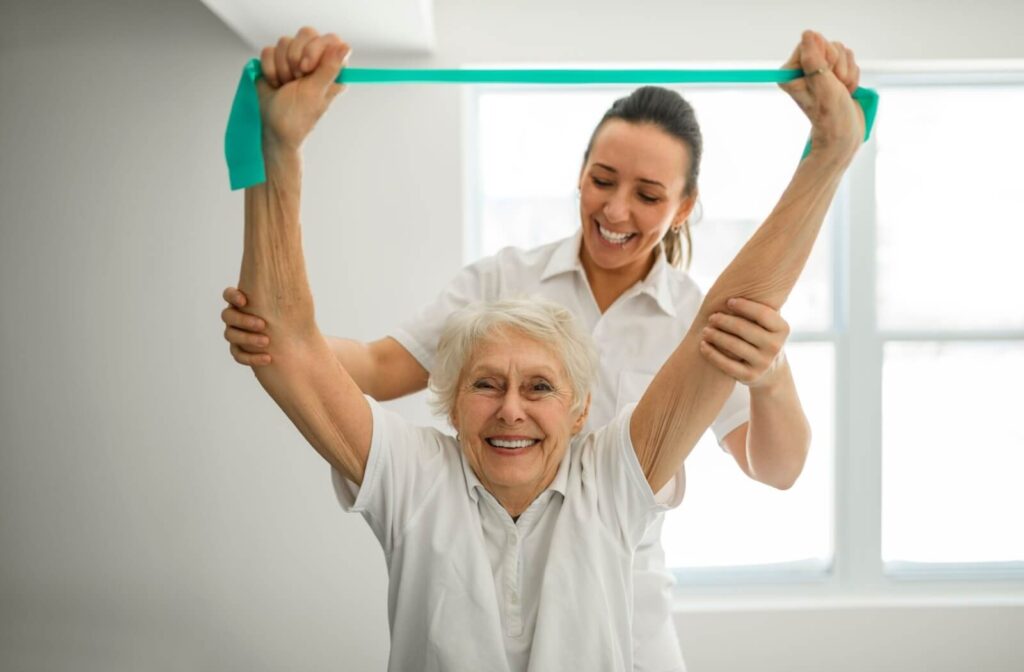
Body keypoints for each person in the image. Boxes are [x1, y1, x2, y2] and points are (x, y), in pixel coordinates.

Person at [231, 27, 864, 671]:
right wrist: (282, 329)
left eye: (648, 195)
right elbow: (362, 363)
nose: (617, 209)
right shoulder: (428, 460)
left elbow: (767, 434)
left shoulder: (615, 478)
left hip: (626, 603)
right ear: (451, 394)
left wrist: (830, 154)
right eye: (602, 180)